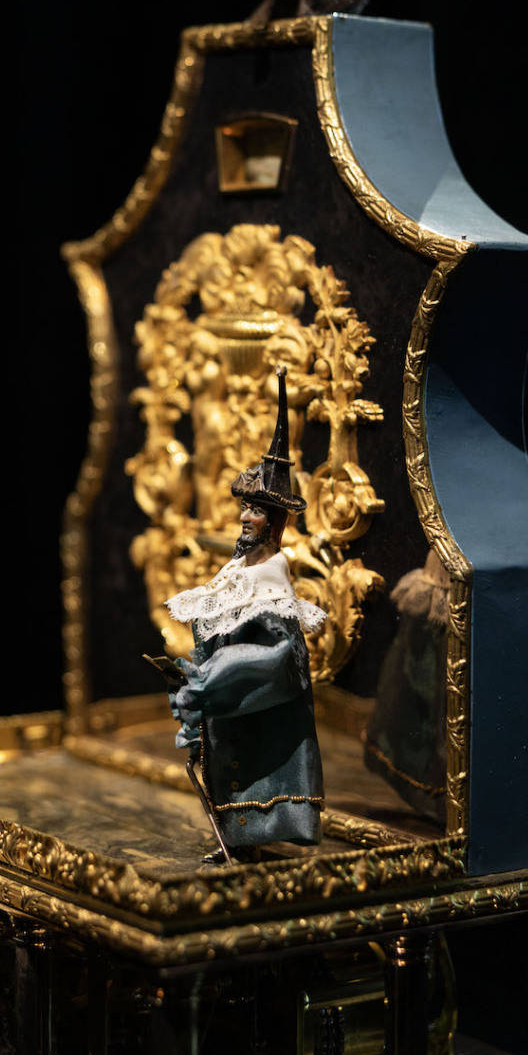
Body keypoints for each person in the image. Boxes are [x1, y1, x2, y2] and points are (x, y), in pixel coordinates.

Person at [164, 369, 326, 860]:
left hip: (256, 699)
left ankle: (252, 838)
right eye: (245, 509)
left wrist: (216, 678)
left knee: (255, 764)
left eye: (255, 510)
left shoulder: (272, 576)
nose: (244, 517)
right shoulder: (239, 567)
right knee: (227, 760)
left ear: (273, 520)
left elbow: (278, 651)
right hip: (230, 699)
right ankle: (235, 839)